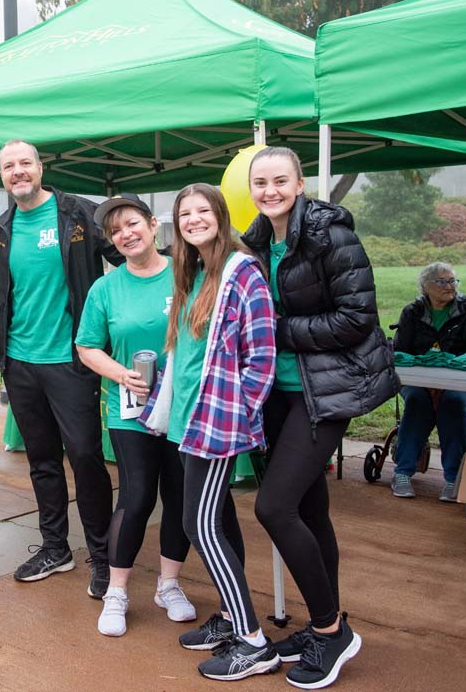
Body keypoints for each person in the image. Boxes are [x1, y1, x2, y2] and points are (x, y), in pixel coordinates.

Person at [242, 146, 398, 689]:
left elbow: (357, 317)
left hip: (326, 394)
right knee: (309, 511)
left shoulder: (331, 234)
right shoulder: (257, 242)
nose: (269, 191)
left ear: (300, 182)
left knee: (274, 506)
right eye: (260, 182)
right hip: (277, 395)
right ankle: (320, 623)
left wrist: (278, 332)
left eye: (279, 180)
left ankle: (332, 631)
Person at [150, 183, 278, 681]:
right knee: (216, 520)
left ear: (221, 216)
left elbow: (262, 355)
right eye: (185, 213)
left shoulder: (241, 270)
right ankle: (229, 618)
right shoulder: (196, 271)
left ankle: (252, 640)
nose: (194, 219)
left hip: (216, 423)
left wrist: (237, 414)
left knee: (198, 526)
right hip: (188, 420)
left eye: (204, 211)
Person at [0, 139, 116, 599]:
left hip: (72, 361)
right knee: (42, 462)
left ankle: (103, 557)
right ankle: (55, 548)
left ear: (40, 168)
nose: (18, 172)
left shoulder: (80, 214)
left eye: (25, 163)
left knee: (84, 457)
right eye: (9, 167)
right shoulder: (2, 227)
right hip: (20, 363)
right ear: (1, 176)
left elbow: (127, 259)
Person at [74, 193, 196, 637]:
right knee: (138, 495)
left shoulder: (187, 273)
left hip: (183, 406)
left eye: (132, 223)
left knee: (182, 495)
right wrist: (121, 374)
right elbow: (86, 346)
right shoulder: (105, 288)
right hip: (132, 410)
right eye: (115, 230)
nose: (126, 234)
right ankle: (117, 591)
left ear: (151, 224)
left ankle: (169, 585)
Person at [391, 261, 466, 502]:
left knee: (453, 403)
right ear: (425, 286)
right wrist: (427, 376)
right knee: (418, 401)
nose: (450, 286)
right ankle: (403, 473)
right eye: (442, 282)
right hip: (419, 380)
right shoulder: (412, 312)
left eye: (452, 281)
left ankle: (454, 478)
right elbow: (400, 352)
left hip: (459, 380)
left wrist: (445, 374)